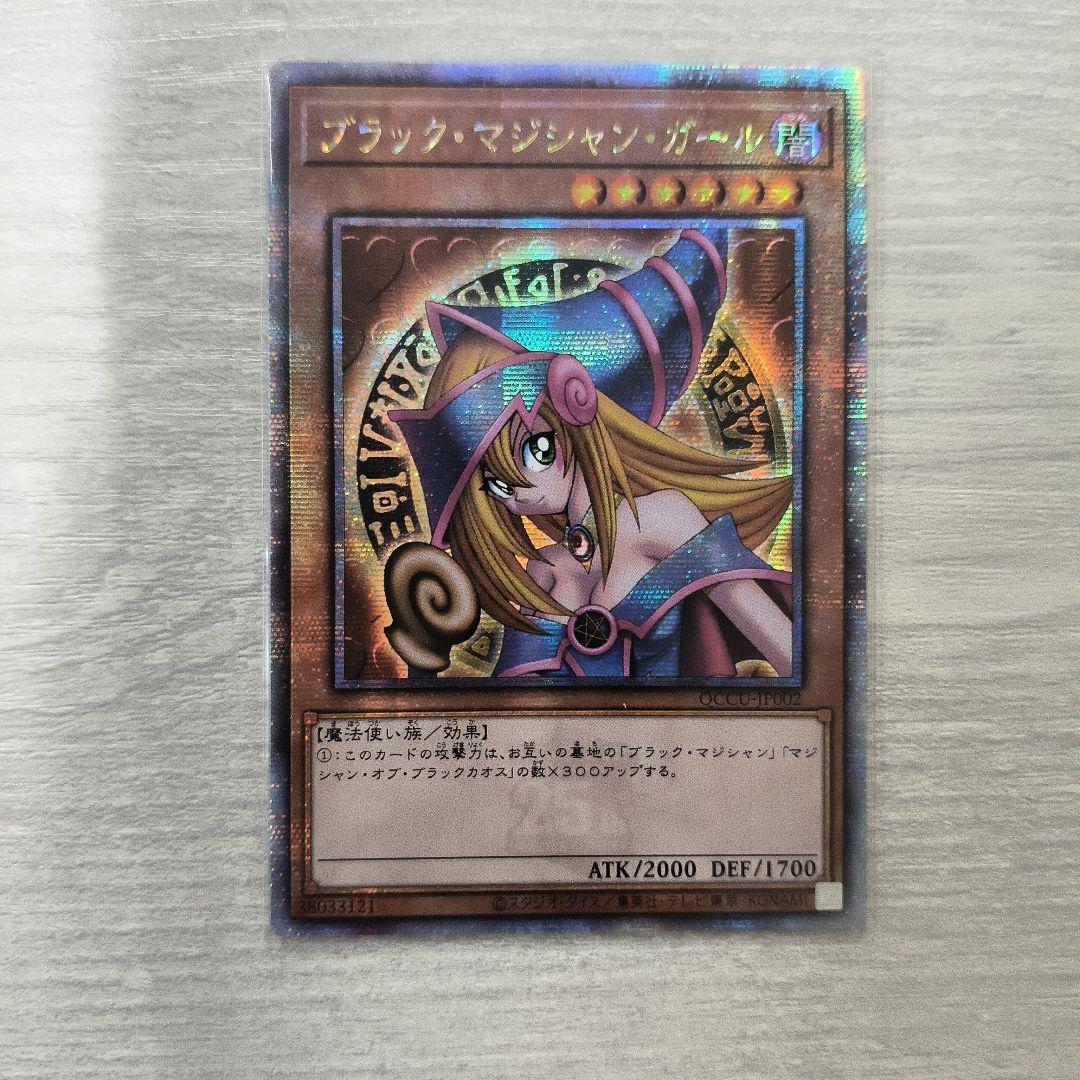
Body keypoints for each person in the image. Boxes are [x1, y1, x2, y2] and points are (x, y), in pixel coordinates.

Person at [389, 227, 793, 678]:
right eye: (497, 483)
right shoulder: (547, 569)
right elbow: (515, 708)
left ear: (576, 414)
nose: (518, 492)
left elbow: (787, 651)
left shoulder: (663, 518)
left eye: (536, 451)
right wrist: (421, 660)